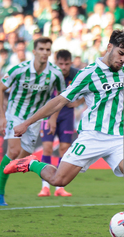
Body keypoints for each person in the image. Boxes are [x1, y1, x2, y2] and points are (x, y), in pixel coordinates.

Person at [4, 30, 124, 237]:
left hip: (119, 138)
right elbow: (59, 101)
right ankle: (31, 163)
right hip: (92, 136)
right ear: (109, 47)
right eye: (121, 53)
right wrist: (28, 122)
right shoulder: (88, 73)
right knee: (59, 180)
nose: (123, 59)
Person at [0, 37, 66, 206]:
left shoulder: (55, 74)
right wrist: (2, 116)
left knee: (17, 163)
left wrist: (53, 118)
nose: (45, 52)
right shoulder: (19, 69)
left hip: (34, 120)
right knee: (13, 152)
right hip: (15, 114)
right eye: (41, 49)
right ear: (34, 51)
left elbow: (61, 98)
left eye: (47, 49)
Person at [38, 50, 81, 197]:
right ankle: (45, 186)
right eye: (60, 64)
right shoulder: (49, 73)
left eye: (67, 64)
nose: (63, 67)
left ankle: (59, 188)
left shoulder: (77, 74)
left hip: (67, 115)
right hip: (49, 113)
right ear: (56, 63)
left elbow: (89, 91)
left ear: (71, 63)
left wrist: (78, 102)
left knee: (64, 149)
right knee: (48, 148)